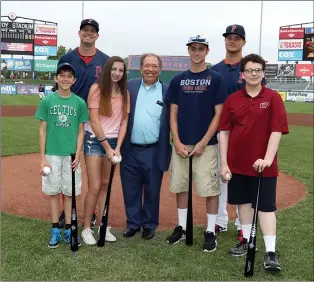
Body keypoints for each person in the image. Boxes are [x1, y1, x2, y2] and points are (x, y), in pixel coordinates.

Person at [219, 53, 289, 271]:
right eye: (249, 70)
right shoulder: (233, 100)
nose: (253, 74)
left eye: (258, 70)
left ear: (263, 73)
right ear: (242, 74)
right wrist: (224, 164)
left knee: (266, 207)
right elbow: (224, 132)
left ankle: (270, 252)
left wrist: (267, 159)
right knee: (243, 205)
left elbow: (276, 130)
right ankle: (247, 242)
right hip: (238, 163)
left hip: (264, 166)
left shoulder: (273, 97)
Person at [165, 34, 228, 252]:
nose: (197, 52)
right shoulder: (177, 79)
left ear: (207, 51)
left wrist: (202, 142)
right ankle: (182, 227)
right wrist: (178, 141)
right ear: (188, 51)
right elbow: (173, 112)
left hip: (207, 144)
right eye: (193, 48)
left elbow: (218, 114)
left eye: (201, 49)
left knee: (210, 189)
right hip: (182, 144)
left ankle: (210, 230)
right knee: (180, 186)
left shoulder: (215, 78)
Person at [211, 24, 267, 241]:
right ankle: (220, 220)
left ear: (244, 42)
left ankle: (242, 224)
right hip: (221, 131)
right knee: (221, 175)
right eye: (228, 37)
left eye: (237, 38)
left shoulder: (251, 69)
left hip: (246, 133)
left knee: (244, 177)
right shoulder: (215, 69)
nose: (232, 41)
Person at [58, 18, 110, 228]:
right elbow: (61, 87)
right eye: (85, 30)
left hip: (97, 120)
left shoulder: (105, 61)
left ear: (97, 35)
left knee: (95, 172)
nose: (88, 33)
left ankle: (95, 212)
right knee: (66, 165)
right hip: (71, 119)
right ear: (79, 33)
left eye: (92, 31)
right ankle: (65, 210)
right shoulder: (67, 57)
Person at [35, 63, 89, 248]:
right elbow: (42, 130)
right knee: (53, 192)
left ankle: (69, 228)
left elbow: (81, 131)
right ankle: (55, 229)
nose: (65, 79)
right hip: (52, 154)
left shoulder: (79, 102)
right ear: (56, 79)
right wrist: (42, 158)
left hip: (71, 155)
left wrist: (79, 153)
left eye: (69, 76)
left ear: (74, 80)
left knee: (70, 192)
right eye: (62, 75)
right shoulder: (47, 101)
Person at [120, 53, 171, 240]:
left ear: (160, 69)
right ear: (141, 68)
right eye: (147, 66)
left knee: (152, 189)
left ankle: (149, 225)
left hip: (154, 149)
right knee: (130, 189)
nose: (150, 69)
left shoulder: (167, 91)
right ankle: (132, 223)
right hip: (130, 149)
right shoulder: (129, 87)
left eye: (154, 66)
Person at [81, 56, 130, 245]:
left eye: (120, 70)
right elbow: (93, 121)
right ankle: (86, 228)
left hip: (113, 142)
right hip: (95, 141)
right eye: (114, 69)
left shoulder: (124, 93)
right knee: (94, 186)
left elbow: (124, 121)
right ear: (107, 70)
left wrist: (117, 147)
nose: (117, 73)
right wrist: (108, 148)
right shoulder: (96, 89)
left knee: (105, 186)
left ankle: (103, 224)